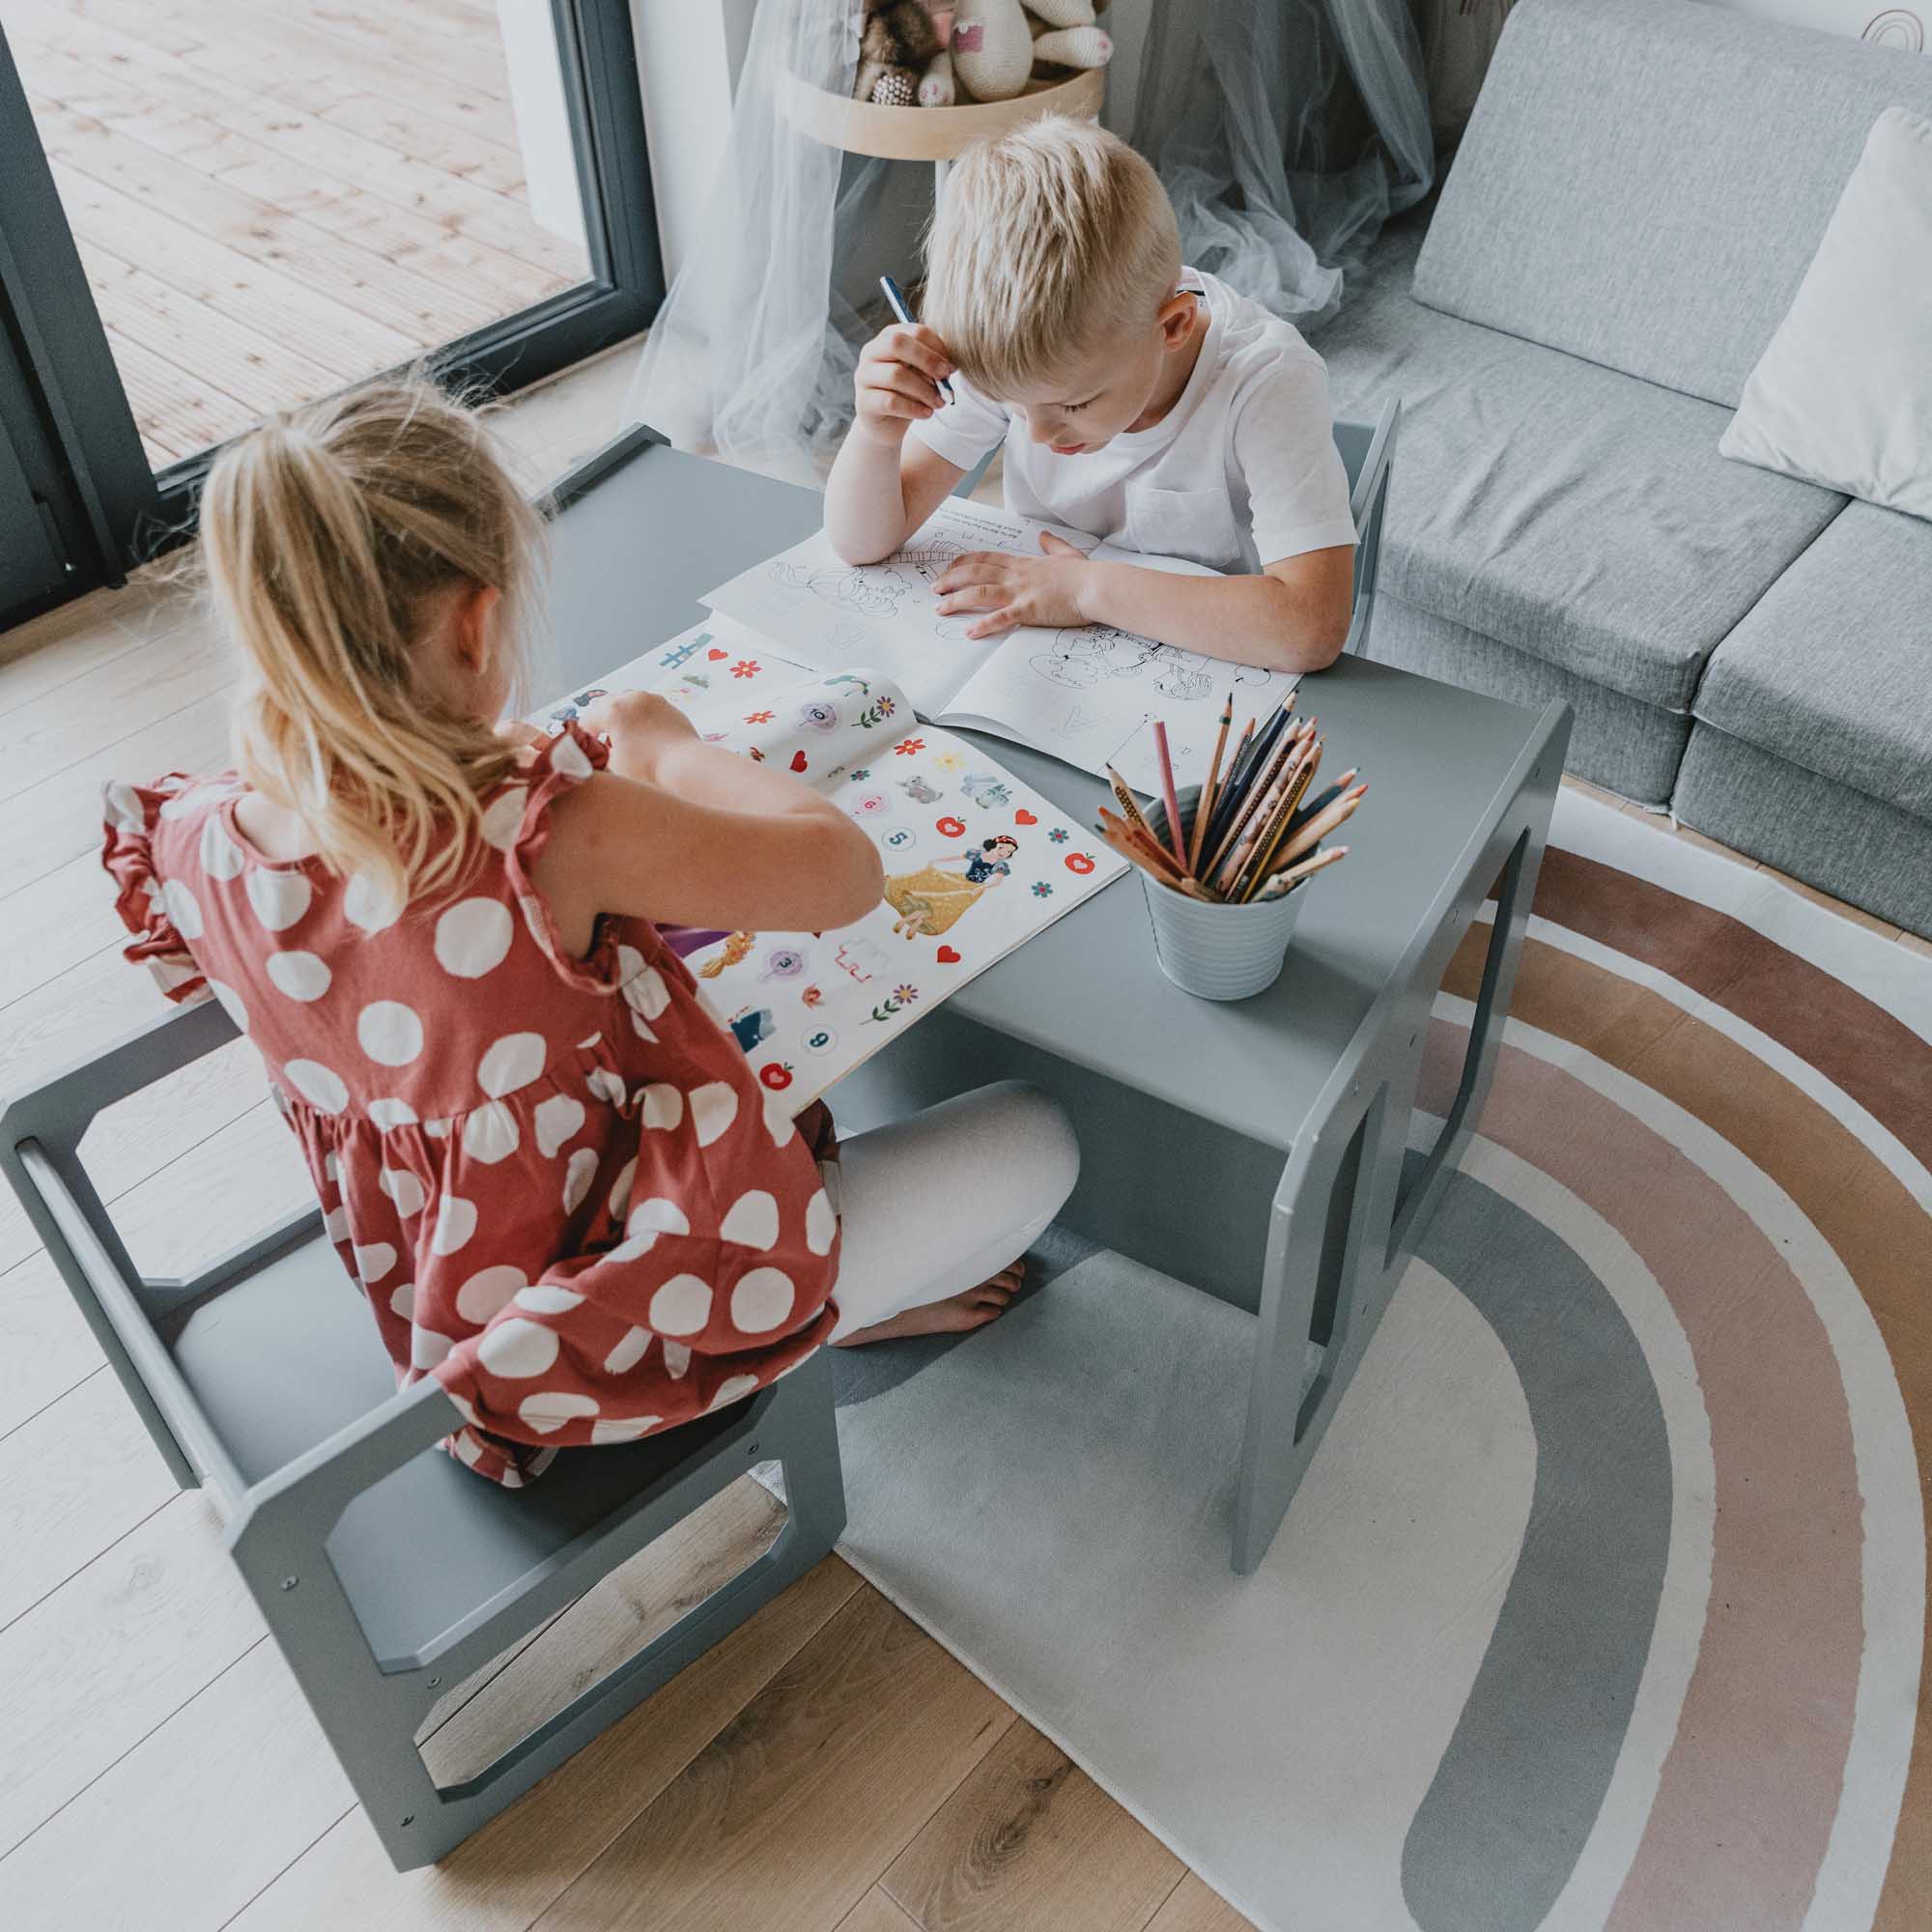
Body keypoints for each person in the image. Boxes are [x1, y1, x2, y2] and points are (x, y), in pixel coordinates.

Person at [100, 379, 1077, 1489]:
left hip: (436, 1287)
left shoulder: (187, 836)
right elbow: (843, 872)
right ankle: (808, 1319)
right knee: (1039, 1139)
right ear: (475, 621)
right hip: (610, 1312)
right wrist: (664, 746)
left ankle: (820, 1300)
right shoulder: (542, 829)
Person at [823, 115, 1358, 673]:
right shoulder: (1017, 355)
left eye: (1074, 405)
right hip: (1055, 655)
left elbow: (1309, 628)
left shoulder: (1268, 381)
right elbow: (862, 544)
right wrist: (876, 436)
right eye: (1010, 404)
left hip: (1214, 654)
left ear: (1172, 326)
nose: (1036, 434)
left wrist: (1085, 591)